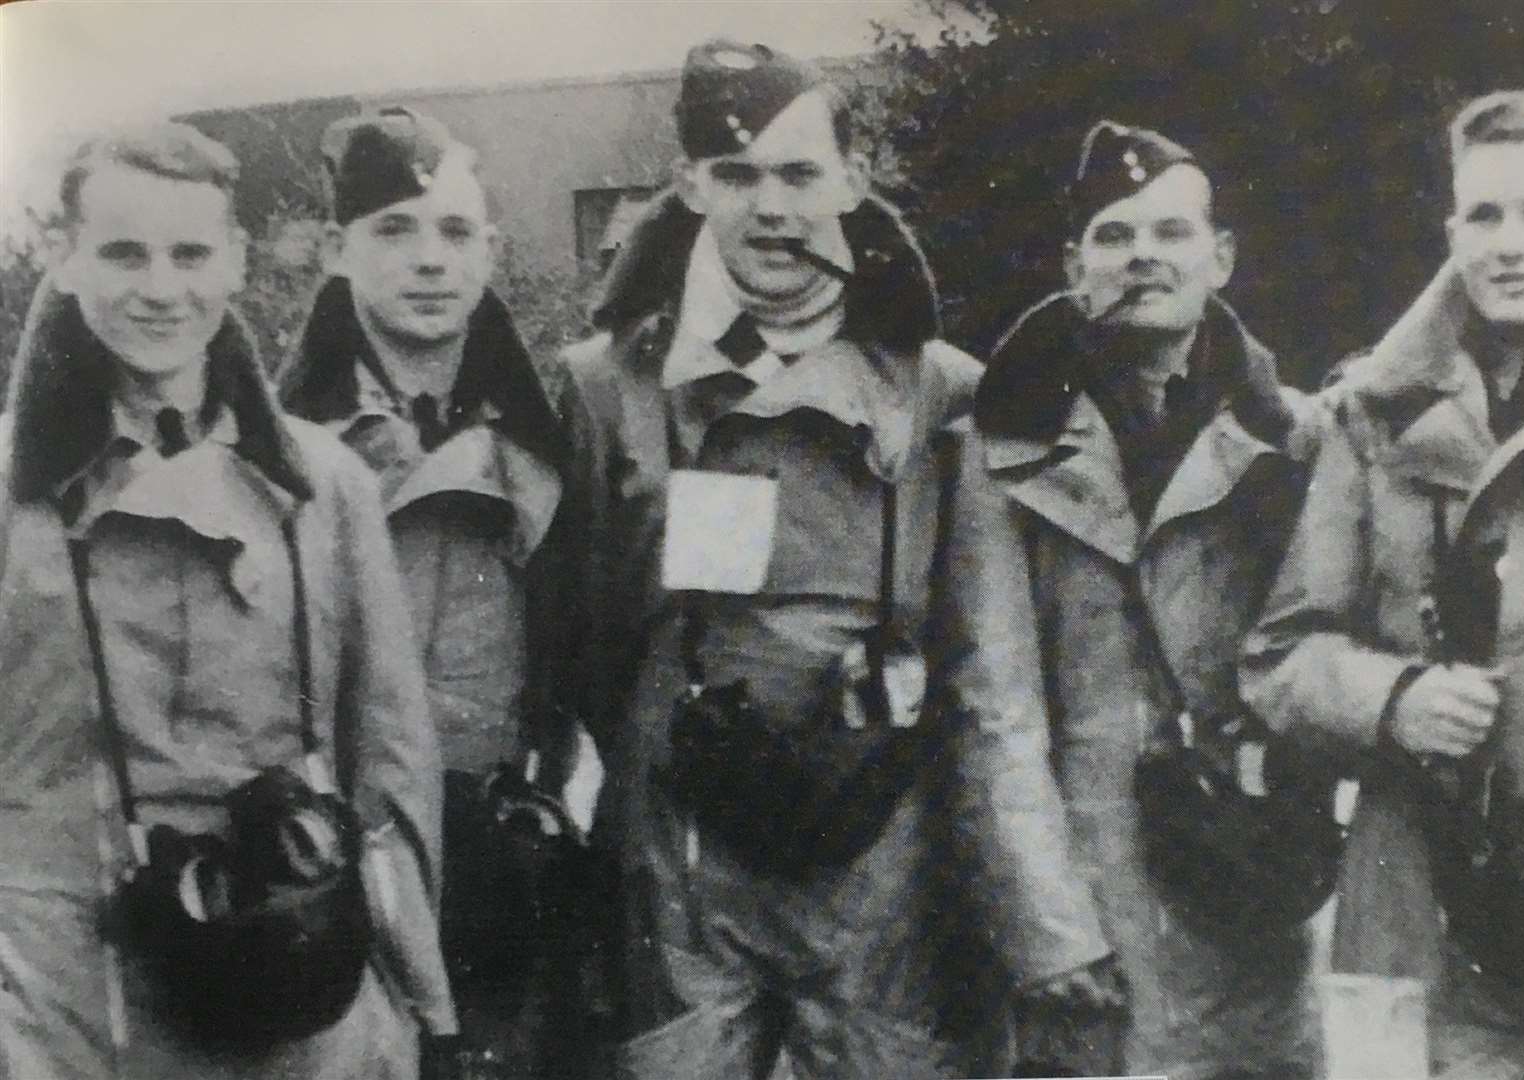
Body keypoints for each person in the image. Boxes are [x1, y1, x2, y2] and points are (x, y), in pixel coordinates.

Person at [543, 38, 997, 1079]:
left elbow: (977, 643)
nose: (772, 208)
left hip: (882, 857)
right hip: (685, 864)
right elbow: (585, 636)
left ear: (854, 180)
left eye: (799, 173)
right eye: (736, 175)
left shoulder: (941, 390)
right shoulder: (607, 389)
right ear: (690, 185)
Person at [0, 123, 452, 1079]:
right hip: (66, 1005)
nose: (161, 290)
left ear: (239, 263)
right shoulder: (10, 490)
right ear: (64, 258)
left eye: (192, 253)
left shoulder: (322, 484)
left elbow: (391, 758)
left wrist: (420, 999)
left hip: (299, 981)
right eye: (123, 253)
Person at [1243, 89, 1524, 1074]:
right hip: (1415, 905)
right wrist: (1393, 697)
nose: (1509, 243)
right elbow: (1279, 657)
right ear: (1450, 231)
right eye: (1483, 215)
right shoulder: (1372, 419)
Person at [952, 120, 1325, 1079]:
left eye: (1170, 233)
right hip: (1095, 900)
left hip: (1244, 882)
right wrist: (1047, 927)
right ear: (1074, 264)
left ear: (1221, 258)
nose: (1142, 258)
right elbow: (992, 704)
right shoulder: (1002, 446)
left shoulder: (1293, 439)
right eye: (1114, 236)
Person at [278, 108, 580, 1080]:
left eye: (454, 232)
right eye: (393, 230)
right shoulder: (280, 459)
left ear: (490, 250)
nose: (428, 262)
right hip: (345, 881)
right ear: (336, 249)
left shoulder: (548, 443)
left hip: (507, 873)